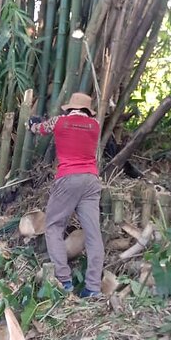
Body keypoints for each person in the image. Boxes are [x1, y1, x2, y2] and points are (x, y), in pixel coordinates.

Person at [26, 92, 104, 298]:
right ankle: (93, 287)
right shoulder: (95, 125)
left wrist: (32, 124)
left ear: (69, 108)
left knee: (53, 226)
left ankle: (64, 281)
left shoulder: (60, 121)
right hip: (91, 180)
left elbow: (39, 129)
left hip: (68, 178)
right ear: (88, 110)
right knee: (94, 234)